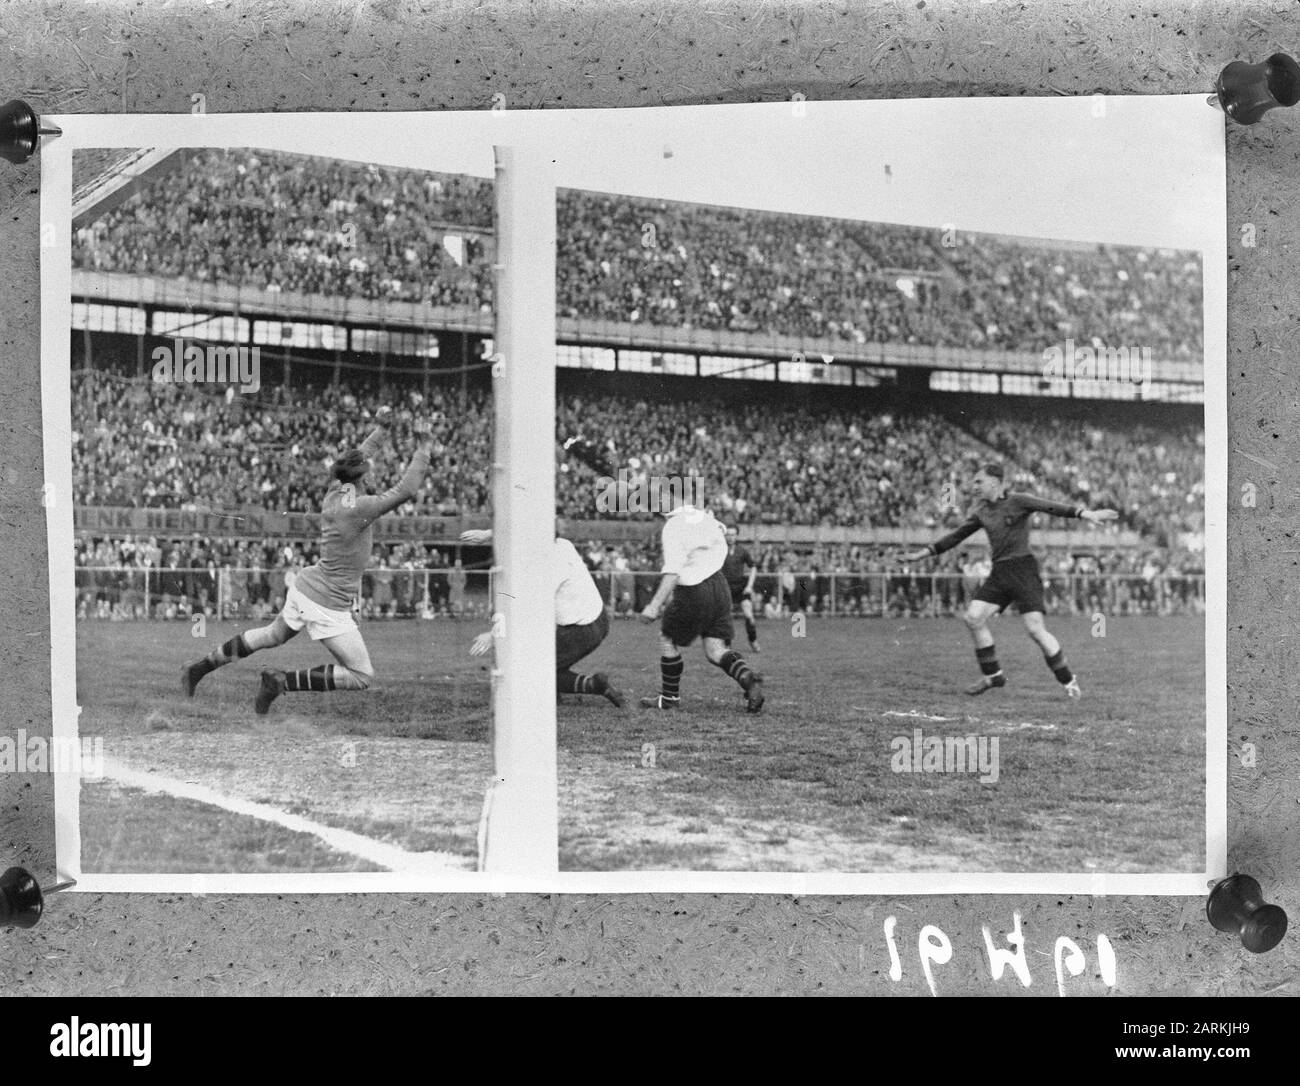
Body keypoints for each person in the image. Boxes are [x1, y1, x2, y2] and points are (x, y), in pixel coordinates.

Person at [181, 408, 436, 713]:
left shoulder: (337, 491)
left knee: (271, 635)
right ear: (362, 476)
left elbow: (359, 454)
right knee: (362, 675)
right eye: (370, 470)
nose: (374, 471)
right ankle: (280, 681)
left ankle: (198, 669)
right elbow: (406, 490)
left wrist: (381, 431)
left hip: (308, 586)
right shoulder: (358, 508)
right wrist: (424, 446)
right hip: (326, 602)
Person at [902, 463, 1117, 697]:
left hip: (1023, 570)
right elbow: (956, 537)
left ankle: (1068, 681)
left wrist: (1086, 514)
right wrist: (920, 554)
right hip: (1000, 572)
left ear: (994, 482)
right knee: (973, 618)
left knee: (1035, 630)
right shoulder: (981, 512)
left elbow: (1051, 507)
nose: (974, 487)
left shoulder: (1019, 500)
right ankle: (993, 676)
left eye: (978, 482)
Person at [462, 529, 623, 706]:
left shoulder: (551, 565)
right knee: (543, 665)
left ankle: (594, 685)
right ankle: (564, 689)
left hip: (581, 629)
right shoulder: (562, 544)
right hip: (597, 619)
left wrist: (493, 636)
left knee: (528, 671)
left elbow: (530, 607)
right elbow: (525, 529)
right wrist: (489, 534)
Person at [639, 494, 764, 712]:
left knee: (667, 639)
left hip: (694, 589)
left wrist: (653, 606)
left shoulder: (674, 526)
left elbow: (672, 572)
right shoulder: (702, 516)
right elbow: (722, 530)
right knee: (715, 650)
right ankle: (748, 679)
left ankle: (669, 699)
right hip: (719, 584)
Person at [721, 525, 760, 652]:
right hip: (725, 588)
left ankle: (753, 640)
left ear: (736, 536)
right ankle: (727, 645)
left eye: (733, 535)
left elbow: (753, 567)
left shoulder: (742, 551)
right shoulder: (719, 550)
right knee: (726, 617)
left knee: (748, 614)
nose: (730, 537)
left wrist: (749, 586)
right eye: (728, 534)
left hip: (741, 588)